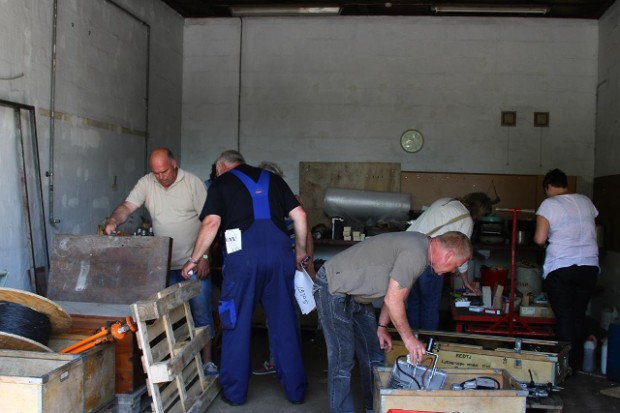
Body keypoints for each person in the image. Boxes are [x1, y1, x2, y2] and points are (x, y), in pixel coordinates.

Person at [182, 150, 309, 406]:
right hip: (278, 258)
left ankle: (235, 393)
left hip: (243, 261)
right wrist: (301, 251)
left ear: (221, 167)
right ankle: (296, 392)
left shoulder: (221, 183)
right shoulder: (273, 180)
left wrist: (195, 259)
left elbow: (211, 224)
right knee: (284, 323)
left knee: (236, 323)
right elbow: (301, 216)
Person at [314, 231, 472, 413]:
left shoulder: (421, 251)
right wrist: (409, 339)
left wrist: (382, 327)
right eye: (455, 266)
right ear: (449, 255)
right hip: (333, 288)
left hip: (356, 296)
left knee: (374, 356)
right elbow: (393, 300)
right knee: (342, 361)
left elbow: (398, 293)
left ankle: (372, 407)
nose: (453, 271)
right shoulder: (416, 253)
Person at [104, 147, 217, 375]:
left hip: (192, 264)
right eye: (156, 173)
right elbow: (128, 206)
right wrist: (114, 221)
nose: (160, 177)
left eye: (164, 171)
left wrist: (204, 257)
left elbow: (211, 221)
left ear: (174, 164)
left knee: (201, 313)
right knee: (165, 318)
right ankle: (173, 365)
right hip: (162, 267)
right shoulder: (147, 183)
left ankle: (207, 362)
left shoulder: (192, 183)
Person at [251, 161, 316, 376]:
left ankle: (282, 362)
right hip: (273, 265)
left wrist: (308, 262)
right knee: (278, 315)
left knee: (284, 315)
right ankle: (281, 361)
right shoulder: (259, 201)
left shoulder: (289, 201)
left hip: (289, 266)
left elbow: (306, 234)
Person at [534, 168, 599, 372]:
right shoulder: (586, 201)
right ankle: (577, 363)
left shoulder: (549, 204)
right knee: (578, 315)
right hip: (589, 266)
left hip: (562, 267)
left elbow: (539, 239)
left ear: (549, 187)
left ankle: (565, 367)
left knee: (564, 317)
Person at [405, 193, 492, 330]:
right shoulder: (466, 219)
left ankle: (413, 342)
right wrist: (466, 281)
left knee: (413, 302)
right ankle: (428, 343)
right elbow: (462, 253)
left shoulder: (445, 200)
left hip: (408, 253)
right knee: (430, 305)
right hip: (431, 261)